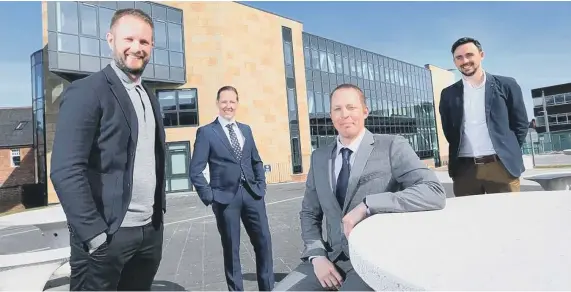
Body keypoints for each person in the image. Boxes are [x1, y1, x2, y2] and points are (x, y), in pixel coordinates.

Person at [274, 84, 447, 291]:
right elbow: (309, 213)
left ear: (365, 111)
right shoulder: (319, 157)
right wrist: (316, 256)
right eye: (337, 109)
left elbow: (433, 191)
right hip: (329, 259)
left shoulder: (392, 146)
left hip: (374, 260)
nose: (344, 114)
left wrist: (368, 205)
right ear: (331, 115)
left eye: (351, 107)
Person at [50, 8, 166, 291]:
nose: (136, 48)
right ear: (110, 38)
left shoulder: (149, 96)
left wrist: (156, 224)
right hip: (106, 237)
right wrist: (94, 235)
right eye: (129, 39)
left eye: (144, 42)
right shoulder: (87, 91)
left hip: (148, 234)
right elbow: (66, 170)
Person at [190, 86, 274, 291]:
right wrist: (210, 196)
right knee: (232, 249)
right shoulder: (207, 132)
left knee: (264, 243)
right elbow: (195, 170)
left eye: (232, 101)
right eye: (224, 102)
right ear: (218, 103)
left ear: (237, 103)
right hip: (225, 199)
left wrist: (261, 185)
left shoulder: (246, 129)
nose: (228, 106)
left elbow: (256, 160)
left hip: (253, 195)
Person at [439, 37, 529, 196]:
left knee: (508, 217)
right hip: (465, 171)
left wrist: (506, 150)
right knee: (469, 219)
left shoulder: (507, 85)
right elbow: (449, 131)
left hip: (501, 167)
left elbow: (520, 124)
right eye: (459, 57)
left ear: (481, 55)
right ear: (454, 62)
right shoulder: (448, 94)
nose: (465, 60)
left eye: (469, 55)